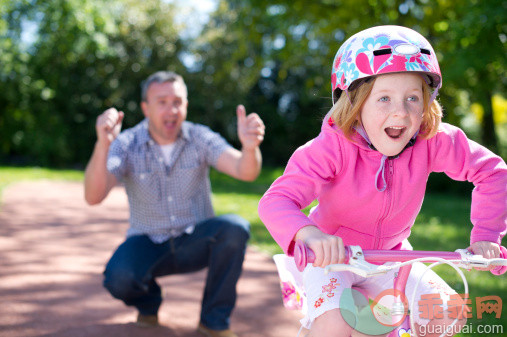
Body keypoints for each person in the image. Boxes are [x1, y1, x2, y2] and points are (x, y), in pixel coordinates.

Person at [258, 25, 506, 337]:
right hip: (333, 260)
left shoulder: (432, 139)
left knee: (447, 313)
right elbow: (276, 201)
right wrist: (310, 236)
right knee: (334, 326)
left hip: (391, 258)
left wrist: (486, 236)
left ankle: (373, 320)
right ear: (356, 104)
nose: (401, 113)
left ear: (427, 101)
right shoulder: (331, 147)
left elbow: (493, 172)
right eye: (384, 98)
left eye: (413, 98)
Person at [84, 70, 265, 337]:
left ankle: (213, 321)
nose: (172, 109)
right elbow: (94, 196)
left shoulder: (199, 137)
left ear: (186, 106)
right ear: (145, 108)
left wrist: (250, 147)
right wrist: (103, 145)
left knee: (234, 228)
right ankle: (149, 302)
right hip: (148, 241)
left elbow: (245, 171)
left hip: (195, 240)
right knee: (118, 277)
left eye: (177, 101)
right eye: (162, 102)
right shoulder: (127, 143)